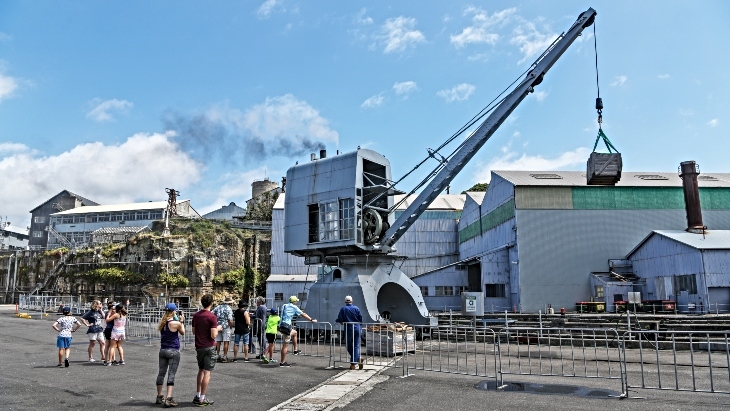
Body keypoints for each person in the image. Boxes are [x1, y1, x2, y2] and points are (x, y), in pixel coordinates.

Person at [192, 294, 222, 406]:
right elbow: (213, 335)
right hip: (209, 346)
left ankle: (198, 394)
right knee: (207, 372)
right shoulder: (212, 317)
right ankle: (202, 398)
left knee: (200, 370)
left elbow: (194, 331)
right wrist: (218, 328)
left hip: (199, 346)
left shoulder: (196, 315)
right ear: (211, 303)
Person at [155, 303, 185, 408]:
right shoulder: (176, 323)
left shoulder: (162, 323)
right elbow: (183, 332)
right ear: (173, 312)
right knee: (171, 374)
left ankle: (159, 396)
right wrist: (181, 321)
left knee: (161, 373)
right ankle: (168, 398)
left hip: (163, 350)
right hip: (173, 350)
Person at [278, 296, 316, 367]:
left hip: (281, 325)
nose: (297, 302)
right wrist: (311, 320)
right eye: (296, 301)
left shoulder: (284, 305)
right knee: (285, 346)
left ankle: (295, 350)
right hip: (287, 326)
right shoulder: (294, 307)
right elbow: (303, 314)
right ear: (294, 301)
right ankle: (282, 362)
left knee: (295, 333)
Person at [336, 295, 364, 370]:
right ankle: (358, 359)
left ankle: (353, 363)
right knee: (356, 345)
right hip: (357, 327)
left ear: (345, 301)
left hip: (349, 328)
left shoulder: (343, 309)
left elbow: (340, 318)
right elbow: (360, 318)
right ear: (352, 301)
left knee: (349, 346)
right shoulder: (356, 308)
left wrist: (340, 321)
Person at [211, 296, 234, 363]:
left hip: (218, 325)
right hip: (226, 326)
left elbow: (212, 313)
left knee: (218, 341)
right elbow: (230, 320)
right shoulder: (229, 309)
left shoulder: (218, 307)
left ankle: (217, 355)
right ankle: (224, 356)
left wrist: (216, 319)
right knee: (226, 341)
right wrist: (231, 326)